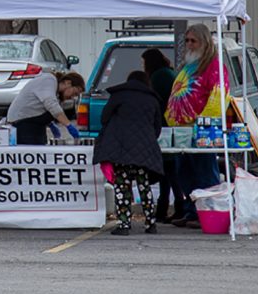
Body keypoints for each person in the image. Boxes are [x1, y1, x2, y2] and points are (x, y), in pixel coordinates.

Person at [165, 24, 229, 229]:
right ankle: (192, 211)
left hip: (201, 131)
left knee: (204, 173)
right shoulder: (188, 66)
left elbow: (220, 96)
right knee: (183, 173)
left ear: (205, 42)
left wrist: (203, 123)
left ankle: (208, 211)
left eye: (194, 40)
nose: (190, 45)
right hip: (181, 132)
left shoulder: (214, 65)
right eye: (188, 41)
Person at [93, 71, 164, 235]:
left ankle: (124, 225)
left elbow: (104, 118)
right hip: (144, 150)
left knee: (122, 187)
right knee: (144, 187)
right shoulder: (152, 99)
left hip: (121, 148)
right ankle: (150, 224)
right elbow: (157, 127)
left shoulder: (119, 95)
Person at [141, 48, 185, 223]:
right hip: (171, 125)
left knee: (168, 169)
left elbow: (156, 102)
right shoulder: (168, 73)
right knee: (167, 168)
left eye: (143, 62)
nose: (142, 65)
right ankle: (166, 207)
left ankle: (175, 206)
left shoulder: (159, 77)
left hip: (164, 126)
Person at [6, 71, 84, 145]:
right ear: (68, 83)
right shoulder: (49, 80)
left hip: (35, 127)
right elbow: (51, 104)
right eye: (75, 92)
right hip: (22, 125)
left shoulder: (55, 92)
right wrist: (68, 125)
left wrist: (50, 124)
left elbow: (40, 107)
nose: (73, 96)